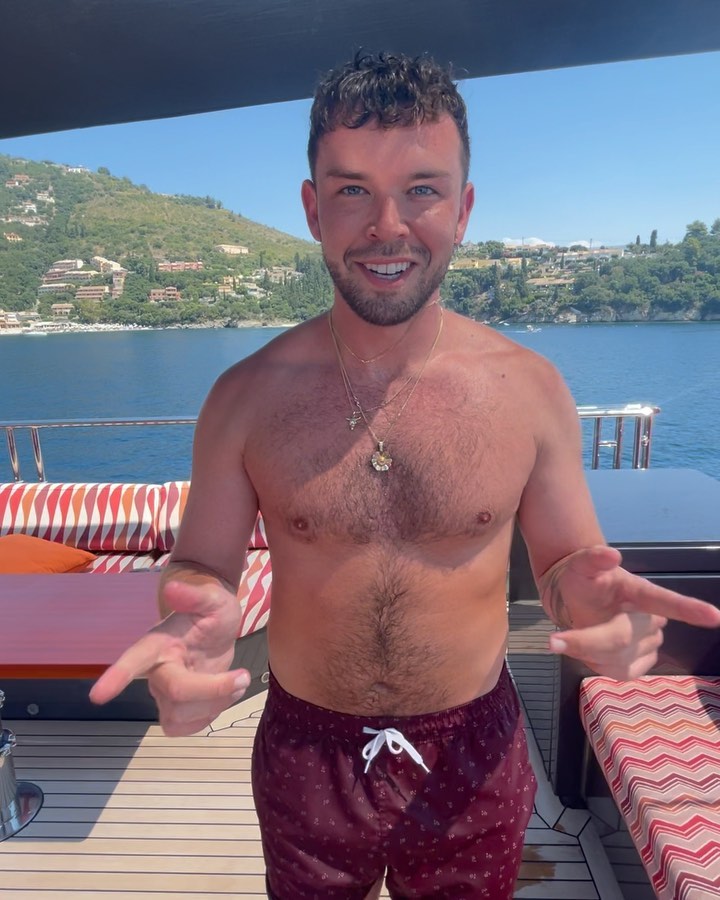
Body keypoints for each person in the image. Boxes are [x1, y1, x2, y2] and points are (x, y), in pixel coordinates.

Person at [90, 52, 720, 899]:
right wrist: (191, 615)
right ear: (312, 209)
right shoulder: (242, 399)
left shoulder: (529, 391)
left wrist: (593, 603)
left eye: (422, 189)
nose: (387, 225)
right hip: (306, 749)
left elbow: (570, 564)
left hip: (473, 750)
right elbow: (203, 567)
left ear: (463, 209)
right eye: (352, 189)